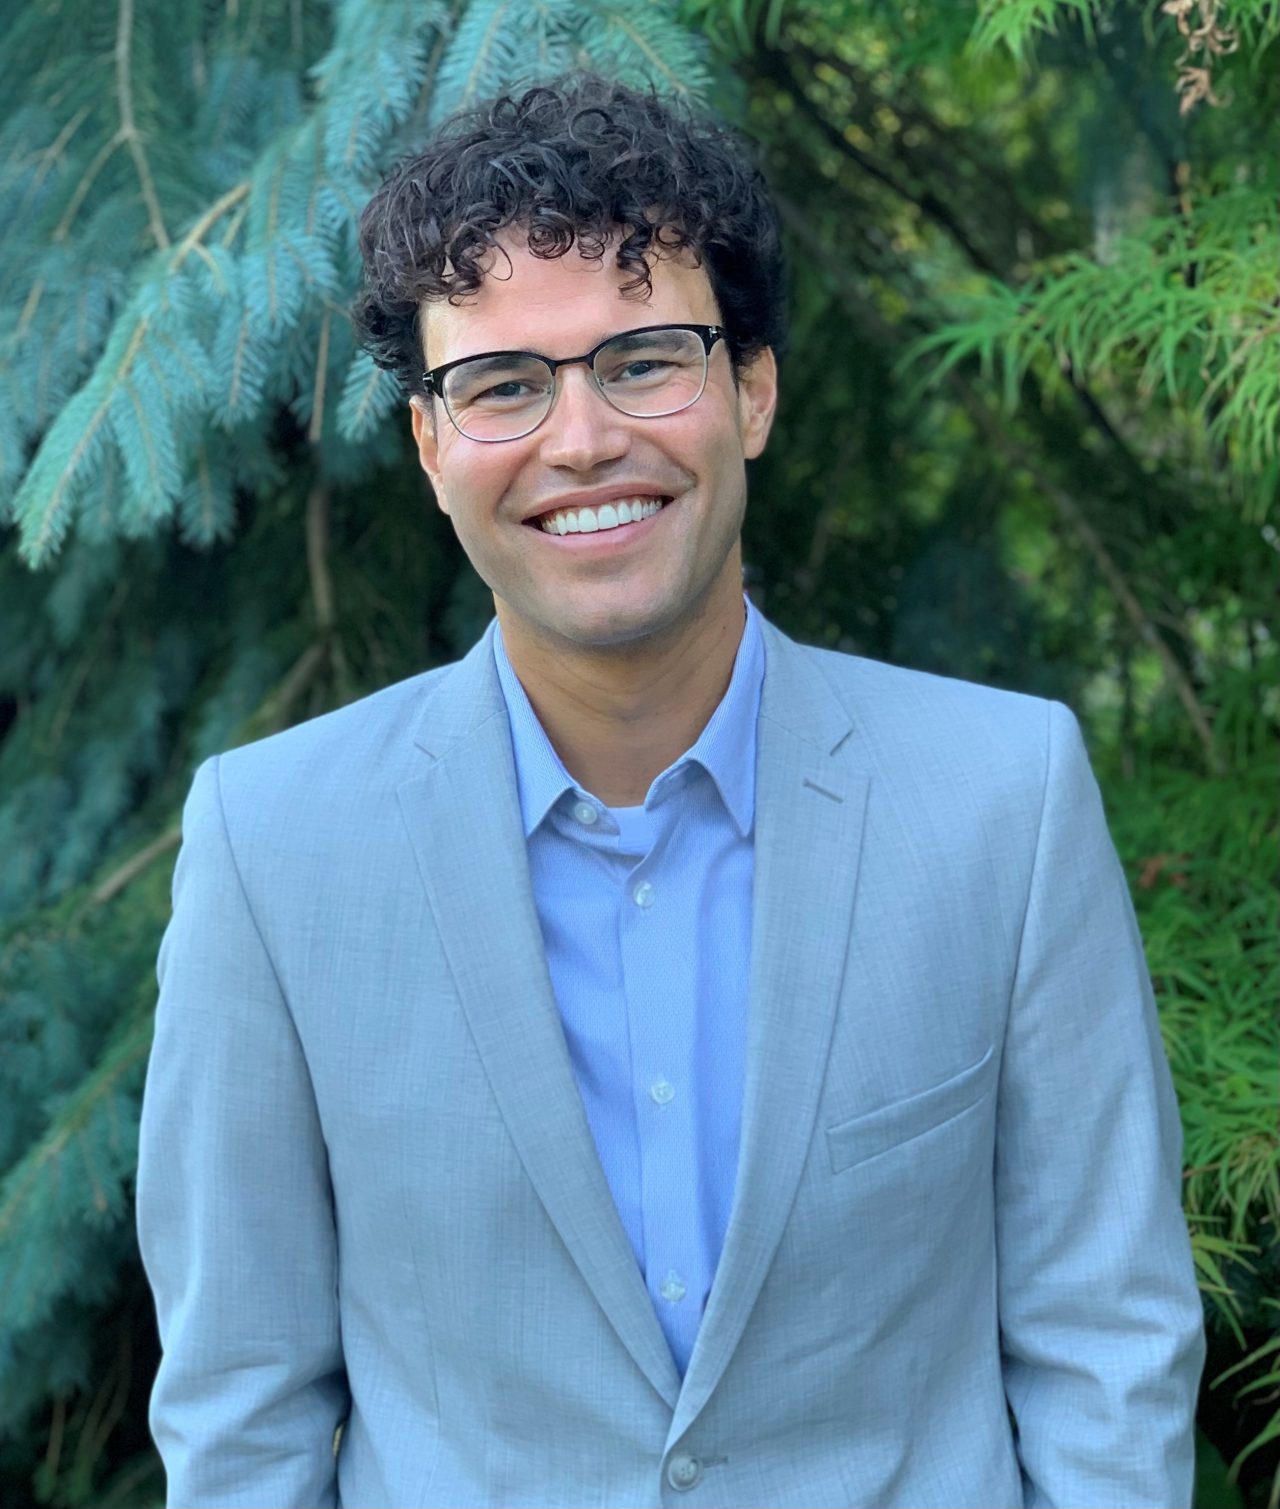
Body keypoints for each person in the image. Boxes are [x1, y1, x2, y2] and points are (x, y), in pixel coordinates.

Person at [136, 75, 1205, 1509]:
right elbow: (241, 1405)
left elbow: (1107, 1345)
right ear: (431, 446)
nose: (582, 439)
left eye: (643, 359)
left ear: (750, 391)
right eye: (505, 383)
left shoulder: (1001, 802)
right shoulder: (274, 848)